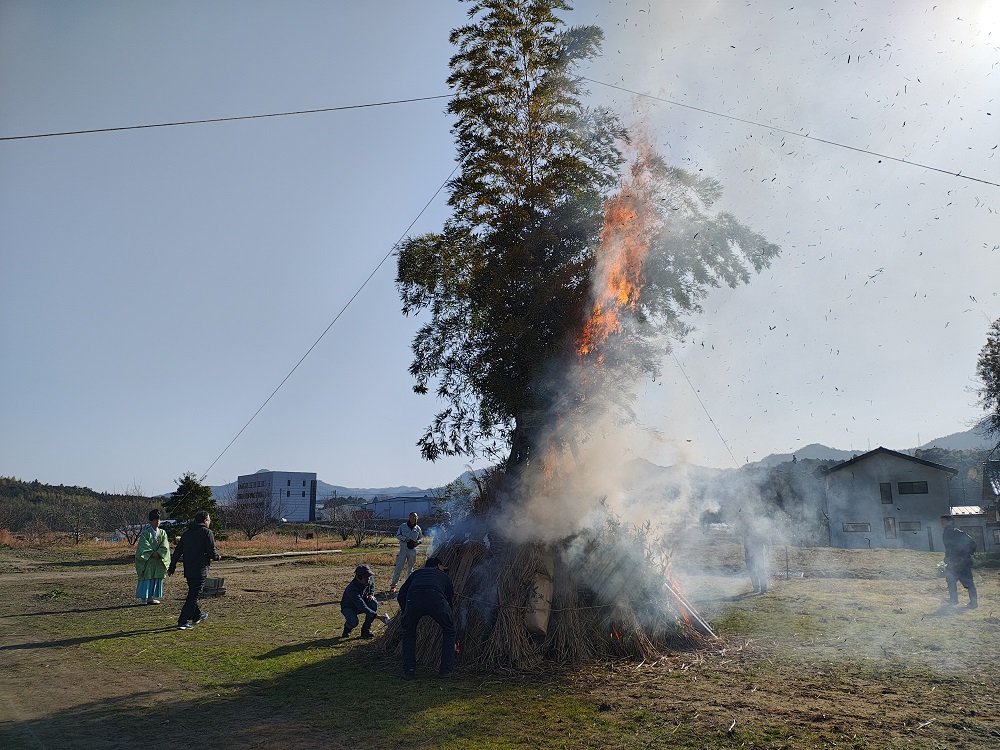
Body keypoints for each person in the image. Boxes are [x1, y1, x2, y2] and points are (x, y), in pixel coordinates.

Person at [398, 556, 455, 680]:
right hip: (436, 599)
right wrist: (449, 617)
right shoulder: (444, 576)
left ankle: (409, 671)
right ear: (439, 566)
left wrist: (406, 612)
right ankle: (446, 670)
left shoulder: (416, 574)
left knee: (408, 633)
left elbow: (401, 594)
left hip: (413, 599)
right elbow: (450, 600)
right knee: (449, 631)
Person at [167, 510, 221, 630]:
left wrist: (172, 567)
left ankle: (196, 616)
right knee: (193, 596)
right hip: (200, 569)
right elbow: (212, 552)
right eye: (209, 519)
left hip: (189, 569)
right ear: (205, 520)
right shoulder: (207, 533)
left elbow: (177, 552)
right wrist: (217, 556)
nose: (210, 521)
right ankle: (183, 621)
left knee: (193, 592)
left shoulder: (186, 533)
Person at [340, 563, 390, 639]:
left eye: (369, 577)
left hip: (362, 602)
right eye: (365, 578)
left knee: (373, 603)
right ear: (358, 577)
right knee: (353, 622)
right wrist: (379, 617)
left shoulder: (368, 579)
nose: (368, 579)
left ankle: (366, 630)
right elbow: (362, 606)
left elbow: (372, 586)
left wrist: (371, 594)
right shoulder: (352, 589)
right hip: (349, 607)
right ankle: (347, 628)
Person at [940, 515, 978, 608]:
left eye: (943, 521)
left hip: (961, 562)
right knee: (951, 581)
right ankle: (954, 601)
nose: (941, 523)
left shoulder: (956, 532)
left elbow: (972, 544)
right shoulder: (948, 532)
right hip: (953, 561)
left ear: (950, 521)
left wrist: (963, 555)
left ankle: (973, 603)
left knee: (967, 583)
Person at [134, 509, 170, 605]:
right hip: (148, 560)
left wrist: (159, 553)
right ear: (150, 521)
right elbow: (143, 546)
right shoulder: (146, 533)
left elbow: (165, 546)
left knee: (156, 578)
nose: (157, 522)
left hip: (158, 560)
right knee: (146, 578)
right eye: (155, 520)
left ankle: (151, 597)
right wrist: (151, 553)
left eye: (159, 520)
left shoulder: (162, 533)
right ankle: (143, 599)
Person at [389, 512, 422, 593]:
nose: (414, 519)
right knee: (399, 567)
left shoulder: (418, 528)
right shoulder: (403, 526)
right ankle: (393, 586)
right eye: (413, 517)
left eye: (416, 518)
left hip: (412, 550)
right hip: (403, 549)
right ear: (409, 518)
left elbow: (421, 538)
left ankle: (408, 585)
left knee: (410, 569)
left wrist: (419, 542)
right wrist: (404, 538)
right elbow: (398, 535)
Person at [743, 525, 768, 594]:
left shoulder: (759, 534)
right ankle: (756, 588)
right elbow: (746, 546)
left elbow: (766, 541)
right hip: (749, 555)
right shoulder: (746, 535)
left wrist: (767, 549)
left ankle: (763, 589)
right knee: (752, 571)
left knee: (761, 570)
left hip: (758, 554)